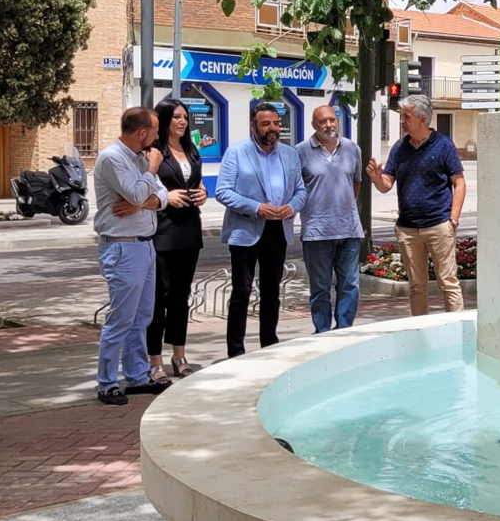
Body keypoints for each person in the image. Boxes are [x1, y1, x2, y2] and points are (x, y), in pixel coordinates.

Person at [91, 107, 176, 404]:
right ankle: (106, 383)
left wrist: (140, 202)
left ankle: (137, 376)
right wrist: (150, 172)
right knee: (121, 318)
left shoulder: (139, 157)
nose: (157, 137)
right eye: (154, 131)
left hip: (145, 244)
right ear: (142, 133)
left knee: (142, 317)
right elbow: (140, 193)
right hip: (122, 246)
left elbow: (162, 197)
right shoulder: (113, 158)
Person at [215, 101, 307, 359]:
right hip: (246, 230)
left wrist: (292, 206)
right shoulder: (236, 152)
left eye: (276, 123)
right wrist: (256, 208)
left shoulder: (290, 154)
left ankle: (269, 344)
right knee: (242, 291)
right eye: (266, 124)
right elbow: (223, 191)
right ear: (253, 126)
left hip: (278, 229)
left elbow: (301, 190)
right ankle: (236, 351)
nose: (273, 128)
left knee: (271, 290)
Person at [365, 93, 466, 315]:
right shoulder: (399, 148)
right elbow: (386, 185)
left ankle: (458, 329)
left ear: (422, 119)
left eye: (406, 117)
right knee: (417, 287)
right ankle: (421, 329)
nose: (402, 121)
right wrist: (377, 178)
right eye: (402, 116)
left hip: (439, 225)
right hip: (408, 229)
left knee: (448, 283)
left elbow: (459, 183)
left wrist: (453, 220)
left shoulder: (443, 145)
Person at [146, 97, 207, 377]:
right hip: (163, 230)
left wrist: (203, 192)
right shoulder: (154, 151)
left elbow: (197, 181)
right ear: (164, 120)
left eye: (185, 117)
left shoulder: (191, 150)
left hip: (189, 230)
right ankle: (154, 360)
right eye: (176, 117)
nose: (182, 122)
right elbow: (144, 186)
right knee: (160, 297)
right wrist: (166, 197)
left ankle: (179, 356)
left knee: (182, 296)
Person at [297, 104, 365, 332]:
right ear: (313, 125)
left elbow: (356, 184)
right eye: (322, 121)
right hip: (316, 233)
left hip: (349, 231)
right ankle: (322, 334)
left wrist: (343, 209)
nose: (328, 125)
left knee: (350, 286)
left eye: (332, 120)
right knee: (320, 289)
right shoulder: (300, 152)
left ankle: (344, 331)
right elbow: (296, 189)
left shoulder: (352, 149)